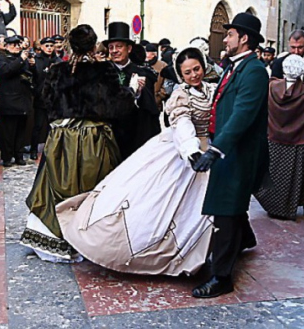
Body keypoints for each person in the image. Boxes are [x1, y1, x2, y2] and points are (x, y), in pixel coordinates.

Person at [56, 46, 216, 276]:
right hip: (183, 150)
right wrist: (192, 151)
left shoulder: (212, 89)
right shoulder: (181, 95)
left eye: (196, 69)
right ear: (181, 75)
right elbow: (182, 124)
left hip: (209, 148)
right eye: (188, 72)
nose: (194, 75)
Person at [20, 24, 137, 262]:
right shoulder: (104, 70)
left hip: (62, 138)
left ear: (70, 45)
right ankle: (87, 239)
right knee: (94, 186)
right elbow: (118, 107)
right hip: (94, 139)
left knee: (55, 183)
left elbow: (47, 102)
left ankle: (53, 237)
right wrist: (132, 90)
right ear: (95, 46)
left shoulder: (57, 70)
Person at [190, 12, 269, 298]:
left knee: (224, 209)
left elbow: (243, 114)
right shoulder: (236, 66)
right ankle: (244, 239)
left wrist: (215, 149)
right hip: (228, 149)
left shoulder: (255, 70)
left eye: (230, 34)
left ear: (244, 38)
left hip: (238, 153)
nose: (225, 39)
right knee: (231, 205)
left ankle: (222, 277)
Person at [254, 55, 304, 220]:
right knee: (298, 177)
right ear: (302, 72)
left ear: (284, 69)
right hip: (299, 140)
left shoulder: (271, 87)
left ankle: (273, 205)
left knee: (273, 174)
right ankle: (296, 205)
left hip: (274, 138)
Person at [105, 22, 161, 160]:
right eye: (111, 47)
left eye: (119, 46)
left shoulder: (142, 73)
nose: (114, 51)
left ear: (129, 48)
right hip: (109, 137)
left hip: (135, 137)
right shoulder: (102, 73)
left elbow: (150, 111)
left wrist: (139, 94)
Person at [0, 35, 34, 167]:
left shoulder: (23, 60)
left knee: (21, 132)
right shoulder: (1, 59)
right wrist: (21, 60)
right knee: (8, 133)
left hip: (23, 101)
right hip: (9, 101)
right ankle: (7, 157)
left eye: (18, 44)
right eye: (13, 45)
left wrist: (31, 65)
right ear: (6, 47)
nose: (16, 47)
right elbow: (6, 71)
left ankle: (19, 155)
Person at [29, 37, 61, 160]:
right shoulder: (36, 60)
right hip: (40, 97)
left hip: (53, 98)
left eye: (51, 46)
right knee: (37, 126)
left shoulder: (57, 61)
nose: (49, 48)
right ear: (42, 47)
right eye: (46, 46)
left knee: (51, 126)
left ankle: (50, 149)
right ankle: (33, 150)